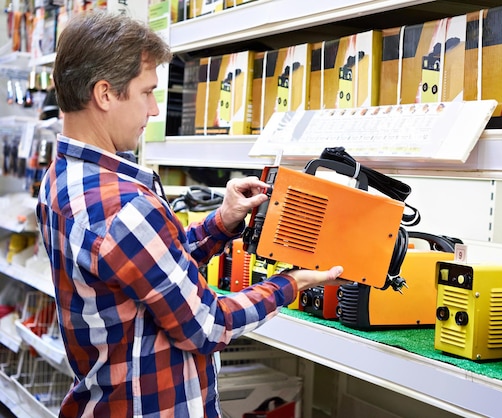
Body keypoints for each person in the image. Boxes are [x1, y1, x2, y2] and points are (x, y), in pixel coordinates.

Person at [36, 11, 344, 418]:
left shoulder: (61, 180)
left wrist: (221, 223)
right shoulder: (125, 206)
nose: (153, 110)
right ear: (105, 94)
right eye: (147, 92)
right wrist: (289, 283)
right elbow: (208, 325)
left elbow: (148, 271)